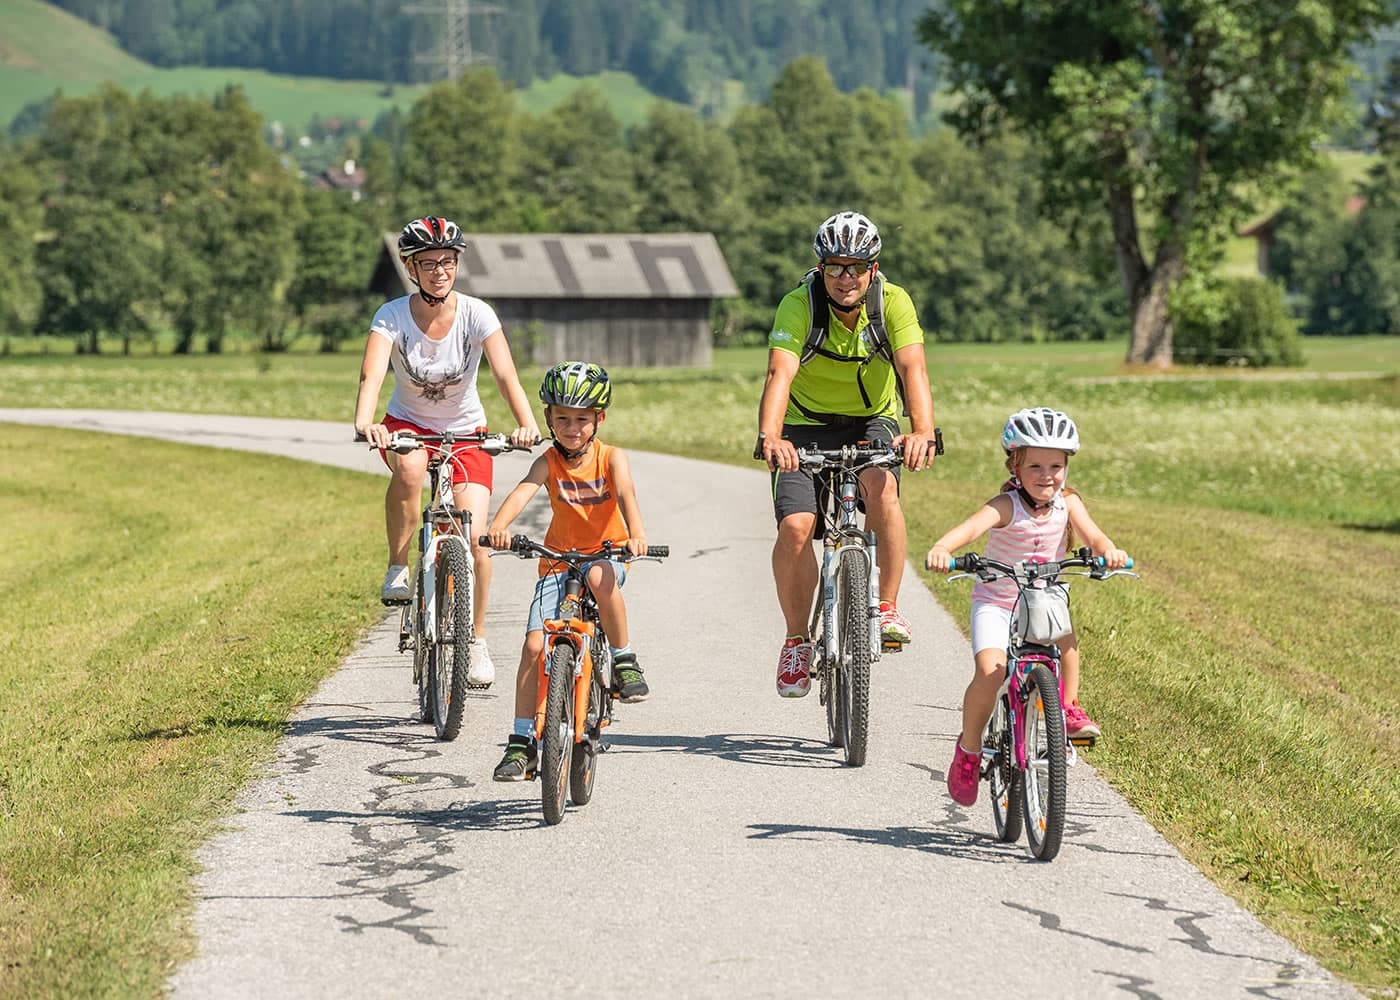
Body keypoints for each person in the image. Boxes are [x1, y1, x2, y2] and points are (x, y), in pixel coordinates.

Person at [755, 210, 938, 698]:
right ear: (820, 267)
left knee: (882, 490)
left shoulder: (893, 302)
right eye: (835, 267)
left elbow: (913, 369)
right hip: (803, 426)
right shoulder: (799, 305)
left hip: (870, 420)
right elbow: (779, 373)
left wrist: (922, 431)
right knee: (797, 527)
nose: (845, 277)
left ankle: (886, 606)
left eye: (856, 267)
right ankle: (797, 641)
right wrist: (771, 436)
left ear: (873, 269)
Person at [354, 215, 541, 689]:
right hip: (407, 425)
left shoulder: (477, 313)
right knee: (411, 468)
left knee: (475, 538)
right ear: (411, 268)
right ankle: (399, 566)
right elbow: (372, 373)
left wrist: (526, 423)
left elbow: (505, 374)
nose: (440, 271)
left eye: (447, 261)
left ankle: (475, 640)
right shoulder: (391, 315)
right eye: (429, 263)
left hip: (465, 431)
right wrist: (365, 421)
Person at [924, 407, 1129, 806]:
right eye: (1035, 465)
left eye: (1056, 466)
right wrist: (942, 549)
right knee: (991, 672)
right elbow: (969, 529)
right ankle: (969, 749)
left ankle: (1067, 708)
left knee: (1067, 645)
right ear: (1015, 465)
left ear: (1067, 467)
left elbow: (1095, 537)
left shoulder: (1069, 503)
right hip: (998, 602)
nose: (1046, 475)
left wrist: (1109, 551)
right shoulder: (1006, 505)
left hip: (1043, 601)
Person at [485, 362, 651, 781]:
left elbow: (627, 494)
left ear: (599, 419)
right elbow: (523, 490)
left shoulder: (611, 458)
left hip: (608, 554)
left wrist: (637, 535)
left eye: (581, 419)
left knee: (598, 577)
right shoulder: (548, 462)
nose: (571, 428)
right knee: (534, 646)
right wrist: (499, 527)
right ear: (548, 418)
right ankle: (521, 742)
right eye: (562, 419)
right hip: (558, 560)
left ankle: (623, 659)